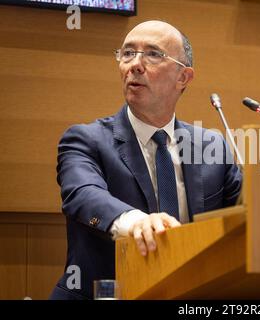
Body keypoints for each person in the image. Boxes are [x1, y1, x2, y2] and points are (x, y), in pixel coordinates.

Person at [49, 20, 242, 300]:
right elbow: (82, 194)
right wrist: (136, 222)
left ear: (183, 78)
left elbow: (246, 216)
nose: (134, 65)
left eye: (153, 54)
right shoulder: (85, 140)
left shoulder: (211, 146)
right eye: (127, 53)